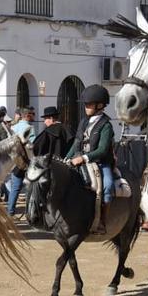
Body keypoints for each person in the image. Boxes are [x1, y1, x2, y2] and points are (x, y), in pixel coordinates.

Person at [65, 85, 115, 232]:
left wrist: (84, 158)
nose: (85, 107)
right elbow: (76, 143)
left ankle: (102, 222)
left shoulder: (106, 126)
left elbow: (102, 150)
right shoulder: (83, 122)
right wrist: (66, 158)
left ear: (100, 105)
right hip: (78, 159)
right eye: (85, 104)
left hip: (101, 163)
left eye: (88, 104)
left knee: (108, 186)